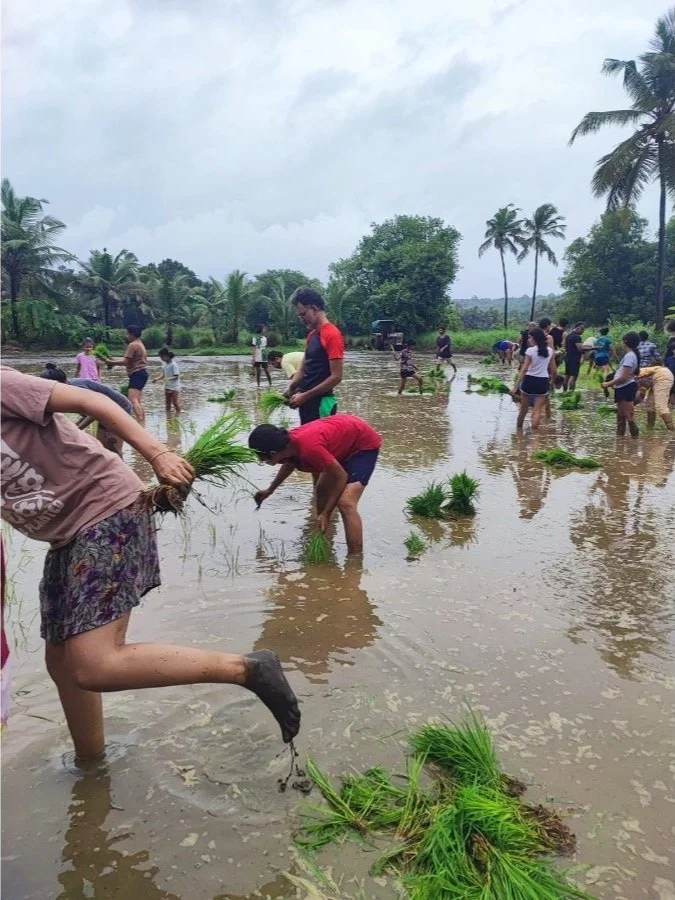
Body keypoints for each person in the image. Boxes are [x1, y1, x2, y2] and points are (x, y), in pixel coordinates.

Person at [0, 367, 300, 761]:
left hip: (105, 507)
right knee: (61, 661)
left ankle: (248, 670)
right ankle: (90, 762)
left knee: (94, 665)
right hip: (64, 537)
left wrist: (158, 453)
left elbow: (93, 400)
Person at [249, 414, 381, 555]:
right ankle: (323, 540)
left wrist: (327, 512)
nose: (264, 462)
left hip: (362, 444)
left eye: (262, 459)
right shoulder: (286, 446)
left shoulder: (309, 447)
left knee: (346, 503)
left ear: (273, 452)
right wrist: (270, 490)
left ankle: (354, 561)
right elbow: (289, 465)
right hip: (342, 442)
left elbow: (341, 476)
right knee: (321, 491)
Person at [40, 364, 133, 457]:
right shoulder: (67, 390)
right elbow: (86, 413)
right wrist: (75, 427)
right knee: (103, 449)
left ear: (61, 383)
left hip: (119, 408)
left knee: (113, 446)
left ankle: (121, 469)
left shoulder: (77, 389)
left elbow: (95, 412)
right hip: (103, 412)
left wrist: (77, 429)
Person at [288, 287, 344, 423]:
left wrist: (306, 395)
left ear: (314, 308)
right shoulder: (312, 335)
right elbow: (303, 368)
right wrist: (292, 388)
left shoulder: (332, 334)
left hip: (322, 402)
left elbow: (336, 377)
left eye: (303, 314)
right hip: (306, 401)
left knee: (319, 443)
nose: (302, 319)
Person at [510, 326, 555, 430]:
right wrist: (551, 382)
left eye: (530, 337)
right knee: (537, 410)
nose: (528, 340)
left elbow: (524, 369)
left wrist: (515, 387)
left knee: (523, 409)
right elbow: (554, 370)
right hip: (542, 381)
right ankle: (535, 439)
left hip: (529, 380)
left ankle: (519, 433)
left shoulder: (530, 351)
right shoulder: (550, 351)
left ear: (535, 338)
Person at [106, 324, 149, 425]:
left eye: (127, 334)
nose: (126, 336)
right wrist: (114, 361)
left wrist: (111, 362)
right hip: (142, 373)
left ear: (132, 334)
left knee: (132, 400)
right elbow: (130, 361)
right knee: (137, 400)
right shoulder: (140, 344)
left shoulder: (133, 345)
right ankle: (142, 422)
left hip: (137, 374)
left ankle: (140, 423)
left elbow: (125, 362)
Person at [603, 332, 640, 437]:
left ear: (625, 342)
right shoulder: (631, 355)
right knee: (620, 415)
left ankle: (634, 442)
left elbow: (624, 377)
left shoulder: (630, 356)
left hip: (626, 387)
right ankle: (620, 441)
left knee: (629, 415)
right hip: (623, 387)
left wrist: (608, 384)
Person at [636, 364, 674, 430]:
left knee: (661, 406)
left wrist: (630, 405)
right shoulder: (637, 373)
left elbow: (642, 393)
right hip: (662, 375)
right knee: (650, 405)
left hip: (662, 377)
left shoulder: (633, 376)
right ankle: (649, 428)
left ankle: (671, 430)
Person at [153, 347, 182, 415]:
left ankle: (178, 414)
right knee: (167, 403)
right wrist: (156, 379)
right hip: (167, 386)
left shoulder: (173, 365)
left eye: (162, 357)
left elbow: (176, 376)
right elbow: (163, 375)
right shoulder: (164, 365)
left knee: (175, 402)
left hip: (175, 387)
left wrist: (168, 379)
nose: (161, 359)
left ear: (167, 356)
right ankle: (168, 417)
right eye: (160, 357)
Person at [563, 322, 586, 391]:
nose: (583, 331)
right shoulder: (577, 337)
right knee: (574, 377)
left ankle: (564, 392)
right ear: (577, 328)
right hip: (574, 359)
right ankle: (571, 393)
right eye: (582, 329)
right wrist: (593, 348)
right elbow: (580, 348)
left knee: (567, 376)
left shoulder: (569, 335)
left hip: (568, 358)